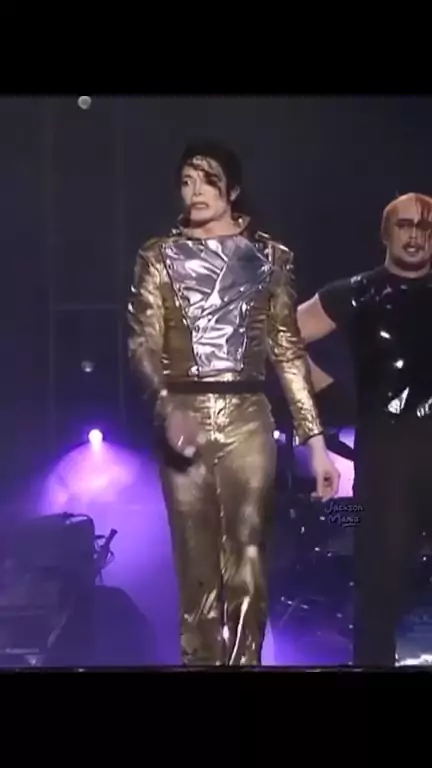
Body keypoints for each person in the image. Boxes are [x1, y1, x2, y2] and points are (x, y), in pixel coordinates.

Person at [127, 140, 339, 666]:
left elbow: (287, 350)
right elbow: (143, 344)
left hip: (247, 418)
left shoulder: (269, 258)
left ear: (234, 189)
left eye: (208, 180)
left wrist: (316, 443)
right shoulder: (158, 256)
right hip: (183, 417)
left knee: (247, 557)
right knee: (195, 564)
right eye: (186, 181)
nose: (195, 191)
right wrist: (167, 405)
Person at [297, 191, 432, 667]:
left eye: (425, 226)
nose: (415, 235)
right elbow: (281, 337)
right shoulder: (356, 291)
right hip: (387, 455)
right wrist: (332, 394)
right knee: (379, 593)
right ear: (386, 233)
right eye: (404, 225)